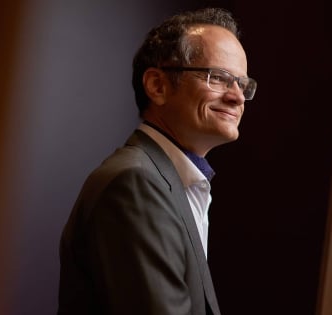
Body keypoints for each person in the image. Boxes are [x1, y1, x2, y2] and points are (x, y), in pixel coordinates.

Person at [57, 7, 257, 315]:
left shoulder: (173, 181)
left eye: (242, 84)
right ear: (158, 86)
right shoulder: (135, 183)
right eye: (218, 78)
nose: (237, 97)